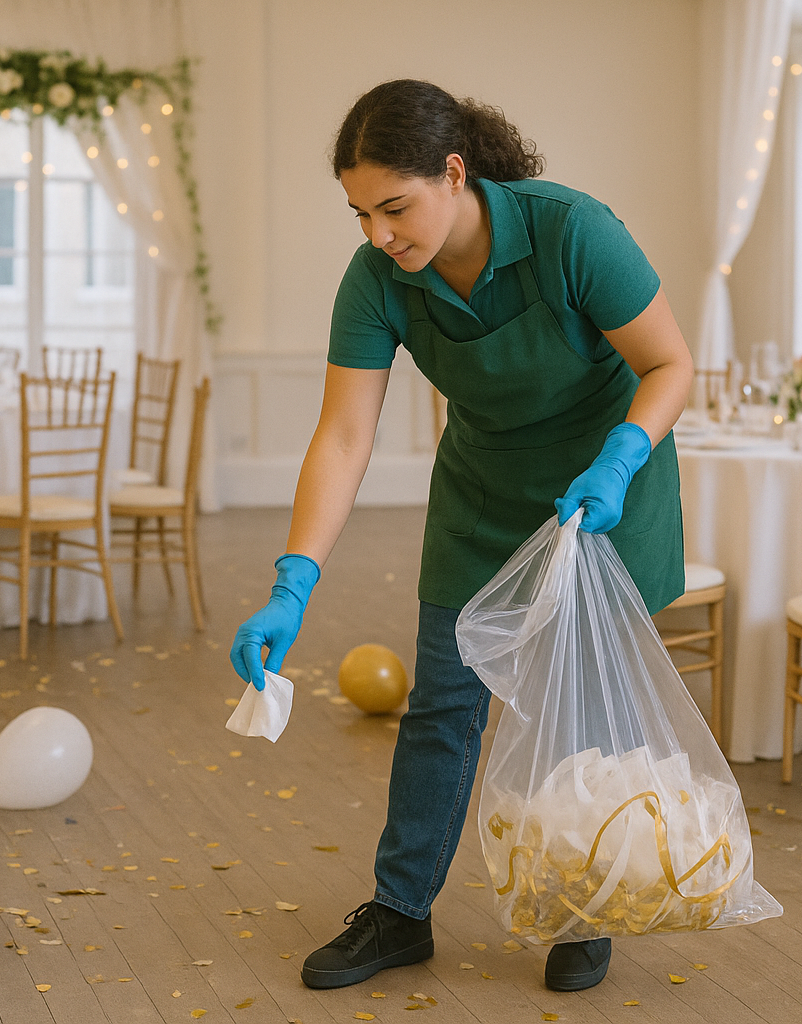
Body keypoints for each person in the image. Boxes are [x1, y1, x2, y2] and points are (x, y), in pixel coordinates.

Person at [229, 79, 693, 993]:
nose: (378, 234)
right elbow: (344, 433)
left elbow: (669, 363)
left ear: (453, 172)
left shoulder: (570, 230)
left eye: (394, 208)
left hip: (603, 488)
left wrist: (620, 459)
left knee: (583, 711)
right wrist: (294, 578)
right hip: (482, 494)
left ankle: (584, 905)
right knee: (443, 707)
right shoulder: (379, 280)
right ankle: (400, 912)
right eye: (360, 212)